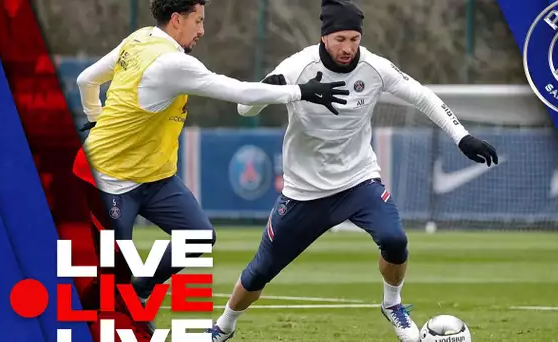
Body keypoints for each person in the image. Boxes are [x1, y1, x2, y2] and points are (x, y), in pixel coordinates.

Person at [208, 0, 498, 341]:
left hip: (359, 181)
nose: (348, 48)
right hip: (304, 193)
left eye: (354, 40)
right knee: (260, 272)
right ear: (324, 37)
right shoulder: (298, 66)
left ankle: (393, 304)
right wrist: (280, 90)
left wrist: (461, 137)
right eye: (340, 39)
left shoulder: (374, 68)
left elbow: (422, 96)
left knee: (395, 240)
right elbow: (244, 107)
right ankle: (224, 326)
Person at [71, 0, 349, 336]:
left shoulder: (139, 38)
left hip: (155, 177)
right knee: (104, 286)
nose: (202, 30)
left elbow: (87, 80)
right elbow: (238, 91)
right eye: (198, 21)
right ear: (176, 20)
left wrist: (93, 118)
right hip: (107, 180)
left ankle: (141, 284)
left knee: (198, 234)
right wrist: (302, 91)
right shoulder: (171, 63)